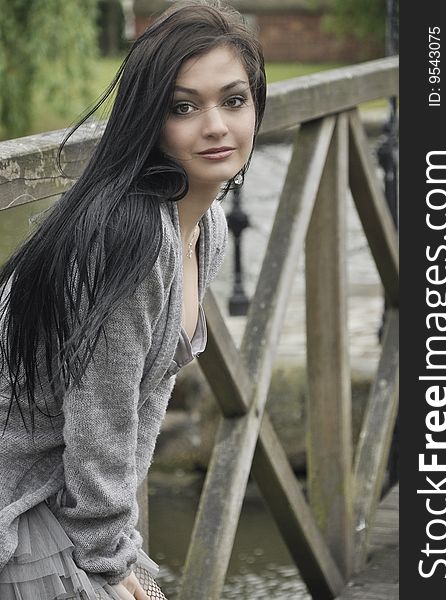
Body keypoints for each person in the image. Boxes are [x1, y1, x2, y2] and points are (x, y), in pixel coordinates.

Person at [0, 1, 266, 598]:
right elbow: (103, 415)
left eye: (233, 99)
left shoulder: (206, 227)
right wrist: (110, 555)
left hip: (58, 491)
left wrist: (122, 545)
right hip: (17, 499)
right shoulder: (134, 236)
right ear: (150, 119)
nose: (217, 126)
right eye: (183, 107)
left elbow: (144, 396)